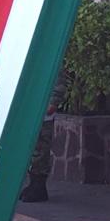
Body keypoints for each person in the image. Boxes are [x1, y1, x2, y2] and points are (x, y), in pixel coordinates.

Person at [20, 71, 68, 203]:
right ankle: (33, 184)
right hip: (32, 109)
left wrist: (53, 103)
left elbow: (59, 82)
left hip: (44, 112)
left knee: (41, 150)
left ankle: (39, 186)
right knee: (34, 150)